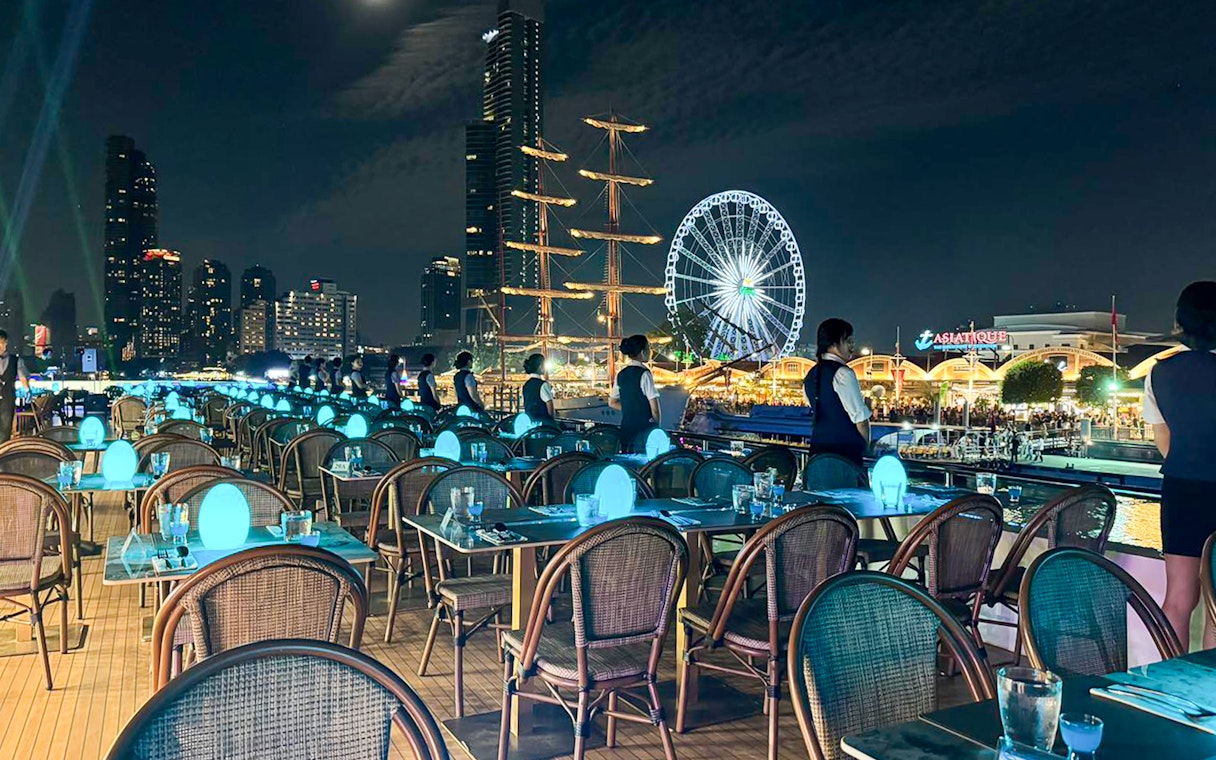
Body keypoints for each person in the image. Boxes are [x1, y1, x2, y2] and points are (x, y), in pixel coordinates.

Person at [1142, 281, 1216, 650]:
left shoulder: (1160, 372)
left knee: (1179, 598)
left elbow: (1165, 442)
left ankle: (1170, 683)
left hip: (1183, 488)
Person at [802, 318, 870, 466]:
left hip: (818, 453)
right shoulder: (843, 373)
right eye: (848, 341)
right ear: (833, 344)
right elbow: (861, 420)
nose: (852, 346)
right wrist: (865, 447)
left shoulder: (810, 375)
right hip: (845, 455)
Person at [608, 334, 661, 452]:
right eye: (649, 348)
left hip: (626, 429)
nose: (651, 351)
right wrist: (657, 427)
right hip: (644, 431)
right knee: (647, 466)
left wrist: (629, 409)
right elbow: (655, 409)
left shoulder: (621, 374)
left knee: (629, 464)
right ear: (643, 352)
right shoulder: (644, 374)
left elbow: (612, 402)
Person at [0, 330, 29, 443]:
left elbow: (22, 377)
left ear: (6, 343)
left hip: (8, 398)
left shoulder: (15, 360)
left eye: (1, 343)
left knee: (5, 428)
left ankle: (3, 454)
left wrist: (27, 389)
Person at [521, 353, 555, 421]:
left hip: (531, 422)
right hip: (543, 424)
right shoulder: (543, 384)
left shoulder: (526, 385)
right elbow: (550, 405)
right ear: (540, 366)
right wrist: (552, 422)